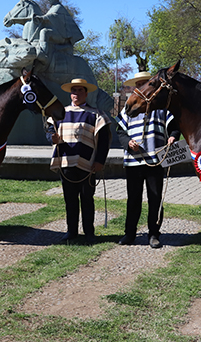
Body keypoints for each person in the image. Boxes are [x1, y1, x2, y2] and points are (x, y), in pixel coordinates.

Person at [116, 71, 180, 248]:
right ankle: (129, 233)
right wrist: (128, 143)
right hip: (134, 162)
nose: (141, 87)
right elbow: (120, 131)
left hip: (155, 160)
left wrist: (173, 137)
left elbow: (175, 128)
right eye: (139, 84)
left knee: (155, 198)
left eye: (145, 83)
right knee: (133, 198)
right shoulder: (128, 107)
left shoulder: (161, 108)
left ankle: (154, 234)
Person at [47, 78, 112, 243]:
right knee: (70, 199)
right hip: (66, 163)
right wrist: (51, 138)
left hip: (87, 164)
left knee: (87, 199)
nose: (76, 94)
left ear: (86, 93)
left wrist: (99, 161)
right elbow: (49, 130)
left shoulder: (97, 114)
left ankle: (89, 232)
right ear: (70, 93)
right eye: (73, 91)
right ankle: (71, 231)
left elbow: (104, 140)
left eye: (79, 90)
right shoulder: (60, 112)